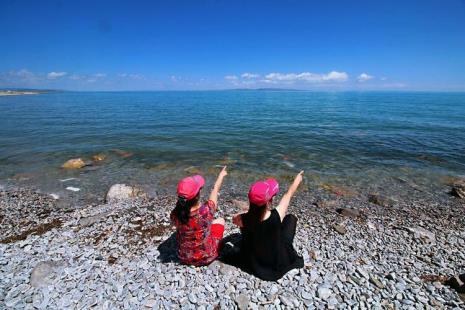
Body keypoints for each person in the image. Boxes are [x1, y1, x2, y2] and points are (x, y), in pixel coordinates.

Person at [231, 171, 305, 281]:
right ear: (269, 200)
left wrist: (246, 213)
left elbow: (234, 219)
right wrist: (297, 180)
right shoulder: (276, 215)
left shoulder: (244, 219)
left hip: (255, 261)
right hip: (275, 264)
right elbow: (288, 194)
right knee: (290, 218)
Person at [170, 166, 228, 266]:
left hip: (184, 257)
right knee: (220, 220)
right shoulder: (206, 211)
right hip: (207, 256)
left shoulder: (175, 214)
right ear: (197, 195)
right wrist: (221, 176)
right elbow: (215, 189)